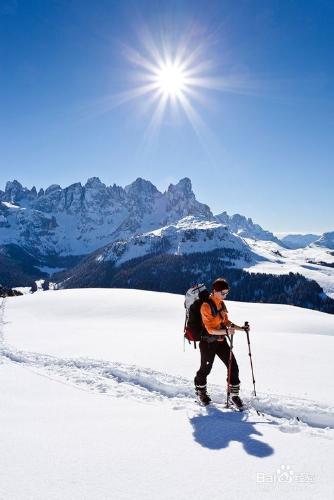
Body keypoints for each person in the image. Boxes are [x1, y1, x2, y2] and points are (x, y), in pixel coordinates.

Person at [194, 277, 250, 407]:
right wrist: (226, 332)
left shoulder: (221, 304)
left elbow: (225, 322)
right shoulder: (206, 306)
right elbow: (210, 329)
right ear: (214, 291)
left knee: (233, 366)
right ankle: (200, 391)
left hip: (221, 341)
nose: (225, 295)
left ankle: (234, 395)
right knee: (205, 369)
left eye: (226, 293)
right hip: (208, 342)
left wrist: (241, 328)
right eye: (222, 293)